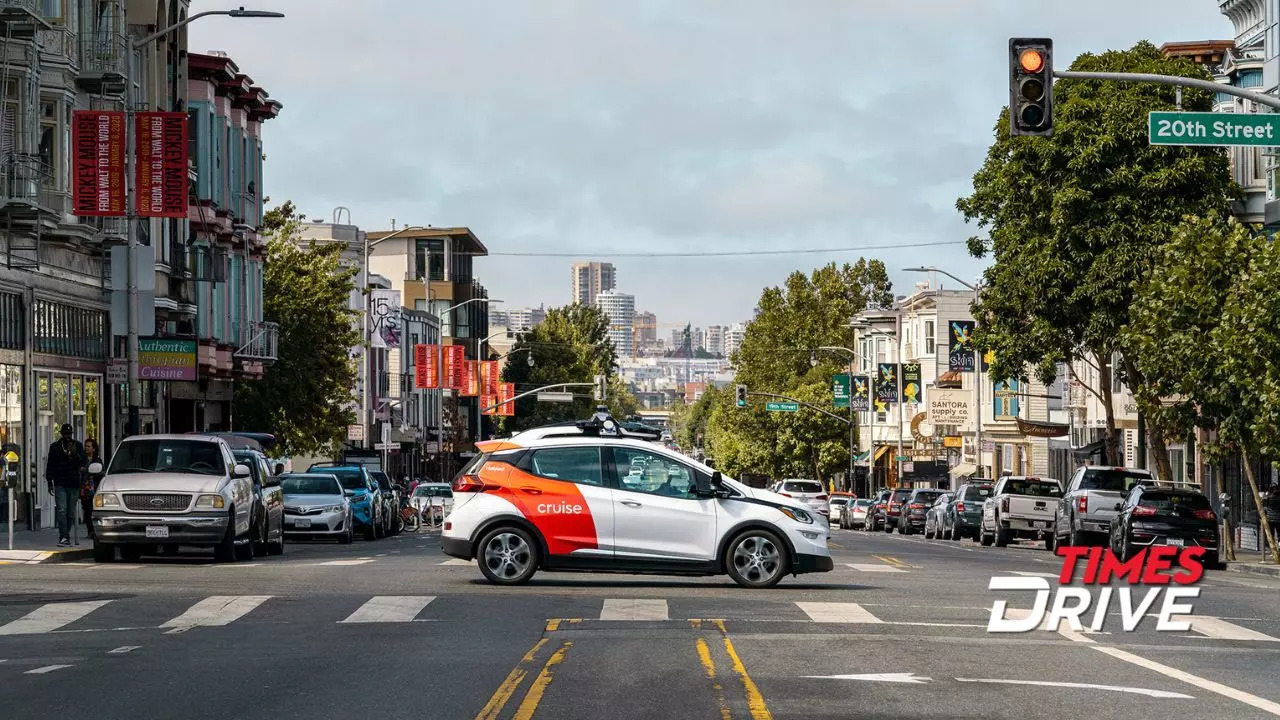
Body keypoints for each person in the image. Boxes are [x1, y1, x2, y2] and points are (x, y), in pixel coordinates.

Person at [45, 424, 85, 546]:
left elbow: (83, 463)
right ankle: (63, 536)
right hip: (60, 482)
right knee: (61, 510)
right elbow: (50, 465)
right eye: (65, 434)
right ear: (61, 434)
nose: (67, 437)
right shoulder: (55, 447)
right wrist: (49, 483)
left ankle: (65, 533)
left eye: (69, 434)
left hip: (73, 483)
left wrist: (75, 454)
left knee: (70, 512)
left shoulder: (77, 445)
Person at [80, 438, 104, 540]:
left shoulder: (97, 460)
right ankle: (90, 531)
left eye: (89, 446)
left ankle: (94, 531)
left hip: (94, 488)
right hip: (84, 489)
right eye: (86, 446)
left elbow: (101, 472)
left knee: (92, 510)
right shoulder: (82, 459)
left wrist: (87, 470)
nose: (86, 448)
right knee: (86, 510)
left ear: (94, 449)